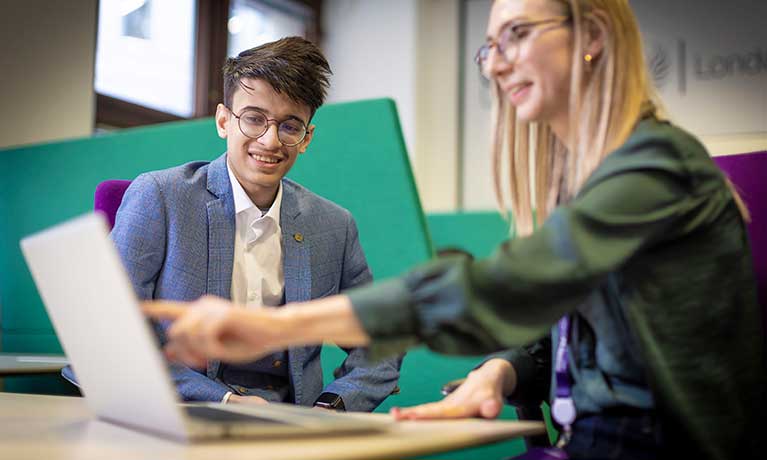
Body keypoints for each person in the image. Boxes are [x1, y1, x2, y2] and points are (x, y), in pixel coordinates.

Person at [144, 1, 765, 459]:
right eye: (490, 46)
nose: (497, 64)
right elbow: (580, 334)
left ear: (594, 36)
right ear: (223, 120)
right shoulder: (586, 182)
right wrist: (500, 373)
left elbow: (501, 288)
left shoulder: (658, 164)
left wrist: (274, 326)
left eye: (517, 35)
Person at [67, 37, 402, 412]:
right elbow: (113, 329)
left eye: (290, 126)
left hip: (293, 424)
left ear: (306, 138)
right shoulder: (160, 197)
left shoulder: (334, 226)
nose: (270, 140)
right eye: (254, 118)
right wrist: (225, 400)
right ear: (224, 121)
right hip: (181, 408)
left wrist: (332, 407)